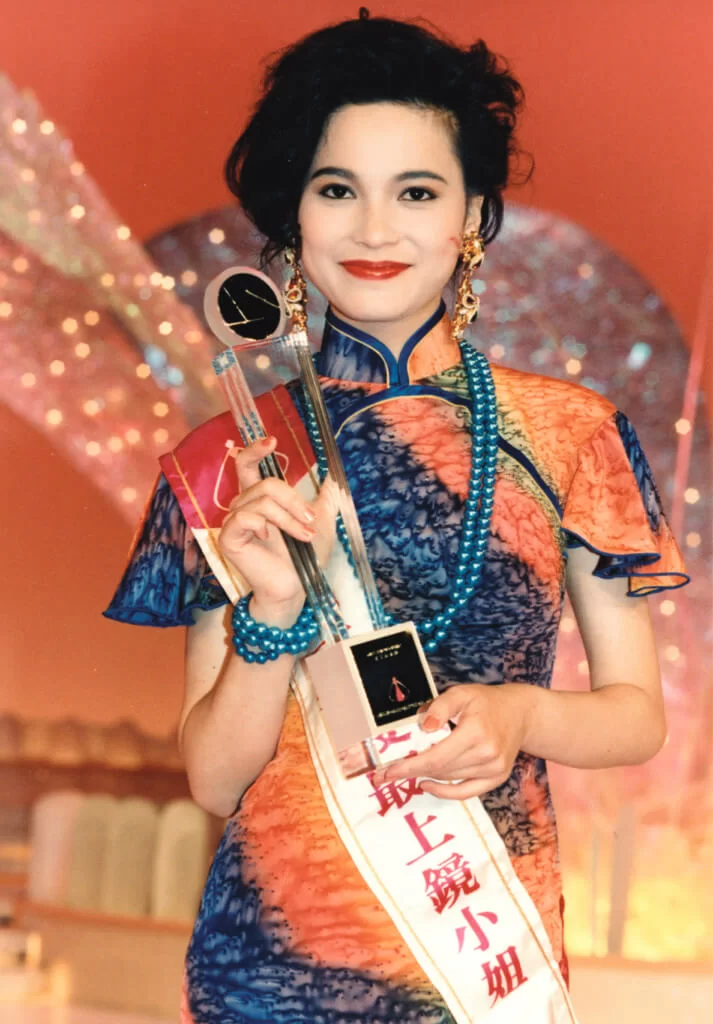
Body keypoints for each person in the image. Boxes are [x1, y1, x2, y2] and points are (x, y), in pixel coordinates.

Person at [105, 12, 689, 1023]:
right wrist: (272, 612)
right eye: (337, 190)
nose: (375, 229)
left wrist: (521, 716)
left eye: (415, 191)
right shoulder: (233, 457)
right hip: (268, 972)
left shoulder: (568, 434)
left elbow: (634, 714)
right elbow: (214, 779)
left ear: (472, 217)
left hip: (477, 965)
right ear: (294, 215)